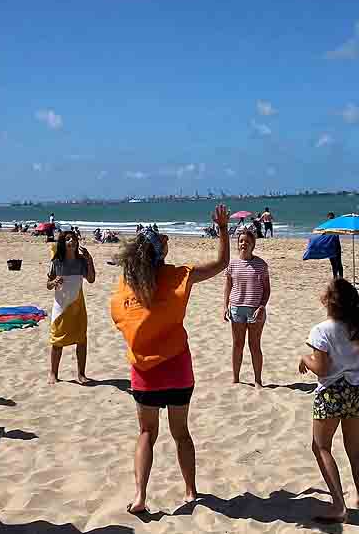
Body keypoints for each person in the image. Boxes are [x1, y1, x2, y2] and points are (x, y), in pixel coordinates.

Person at [111, 204, 230, 514]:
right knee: (181, 433)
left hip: (144, 374)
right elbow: (222, 263)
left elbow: (119, 320)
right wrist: (221, 230)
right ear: (158, 251)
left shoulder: (125, 287)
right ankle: (190, 491)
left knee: (146, 433)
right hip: (177, 370)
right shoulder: (177, 276)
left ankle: (140, 496)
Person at [299, 278, 359, 522]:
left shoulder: (321, 330)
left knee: (321, 447)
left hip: (332, 391)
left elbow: (322, 369)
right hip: (356, 390)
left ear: (328, 302)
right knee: (354, 448)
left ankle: (339, 505)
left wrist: (305, 358)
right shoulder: (358, 326)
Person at [47, 230, 97, 384]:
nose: (72, 241)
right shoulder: (56, 262)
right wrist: (54, 282)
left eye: (74, 239)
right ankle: (53, 373)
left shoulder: (81, 261)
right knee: (57, 341)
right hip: (61, 307)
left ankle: (81, 375)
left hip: (77, 305)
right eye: (68, 239)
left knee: (81, 340)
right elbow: (48, 285)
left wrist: (90, 260)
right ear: (63, 243)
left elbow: (91, 279)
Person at [222, 229, 270, 386]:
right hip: (236, 309)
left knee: (254, 345)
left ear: (253, 245)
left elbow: (267, 289)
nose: (244, 244)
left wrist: (262, 306)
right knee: (237, 345)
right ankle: (236, 378)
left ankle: (258, 380)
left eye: (247, 242)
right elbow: (228, 285)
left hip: (255, 310)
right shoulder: (232, 264)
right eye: (241, 241)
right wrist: (225, 305)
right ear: (238, 244)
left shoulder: (261, 265)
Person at [325, 212, 344, 279]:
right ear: (328, 218)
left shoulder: (335, 226)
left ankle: (340, 277)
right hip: (330, 246)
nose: (331, 219)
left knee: (338, 263)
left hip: (336, 246)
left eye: (332, 218)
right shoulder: (327, 227)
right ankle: (335, 277)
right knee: (333, 263)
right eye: (330, 218)